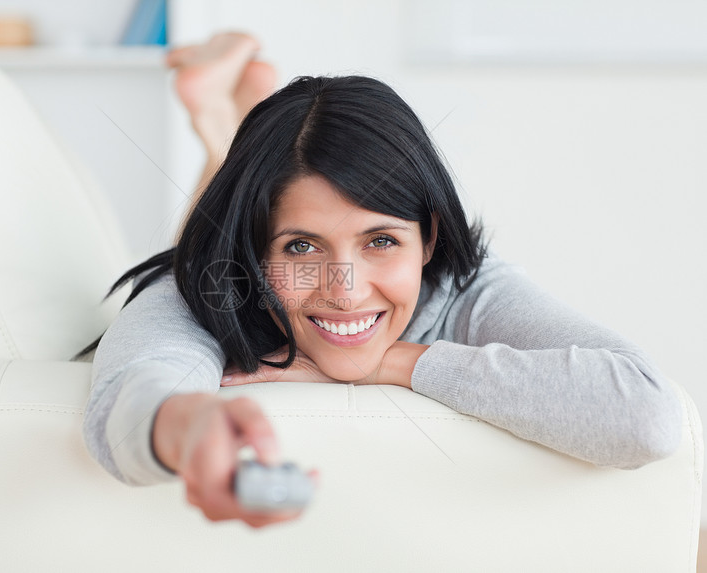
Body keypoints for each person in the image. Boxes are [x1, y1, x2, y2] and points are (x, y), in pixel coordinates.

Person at [81, 33, 682, 530]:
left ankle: (227, 123)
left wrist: (396, 362)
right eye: (300, 247)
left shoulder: (467, 285)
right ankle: (222, 123)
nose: (345, 291)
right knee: (215, 219)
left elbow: (647, 414)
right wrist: (189, 428)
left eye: (382, 241)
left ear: (431, 238)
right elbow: (133, 396)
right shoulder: (213, 283)